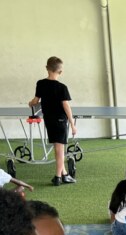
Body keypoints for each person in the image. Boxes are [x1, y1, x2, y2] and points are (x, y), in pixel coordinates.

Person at [29, 56, 77, 186]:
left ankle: (64, 174)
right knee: (60, 150)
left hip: (48, 120)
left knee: (57, 148)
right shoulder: (62, 87)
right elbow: (66, 106)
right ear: (60, 71)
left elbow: (35, 101)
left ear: (47, 68)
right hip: (60, 120)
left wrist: (30, 103)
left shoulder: (40, 83)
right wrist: (72, 124)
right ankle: (57, 177)